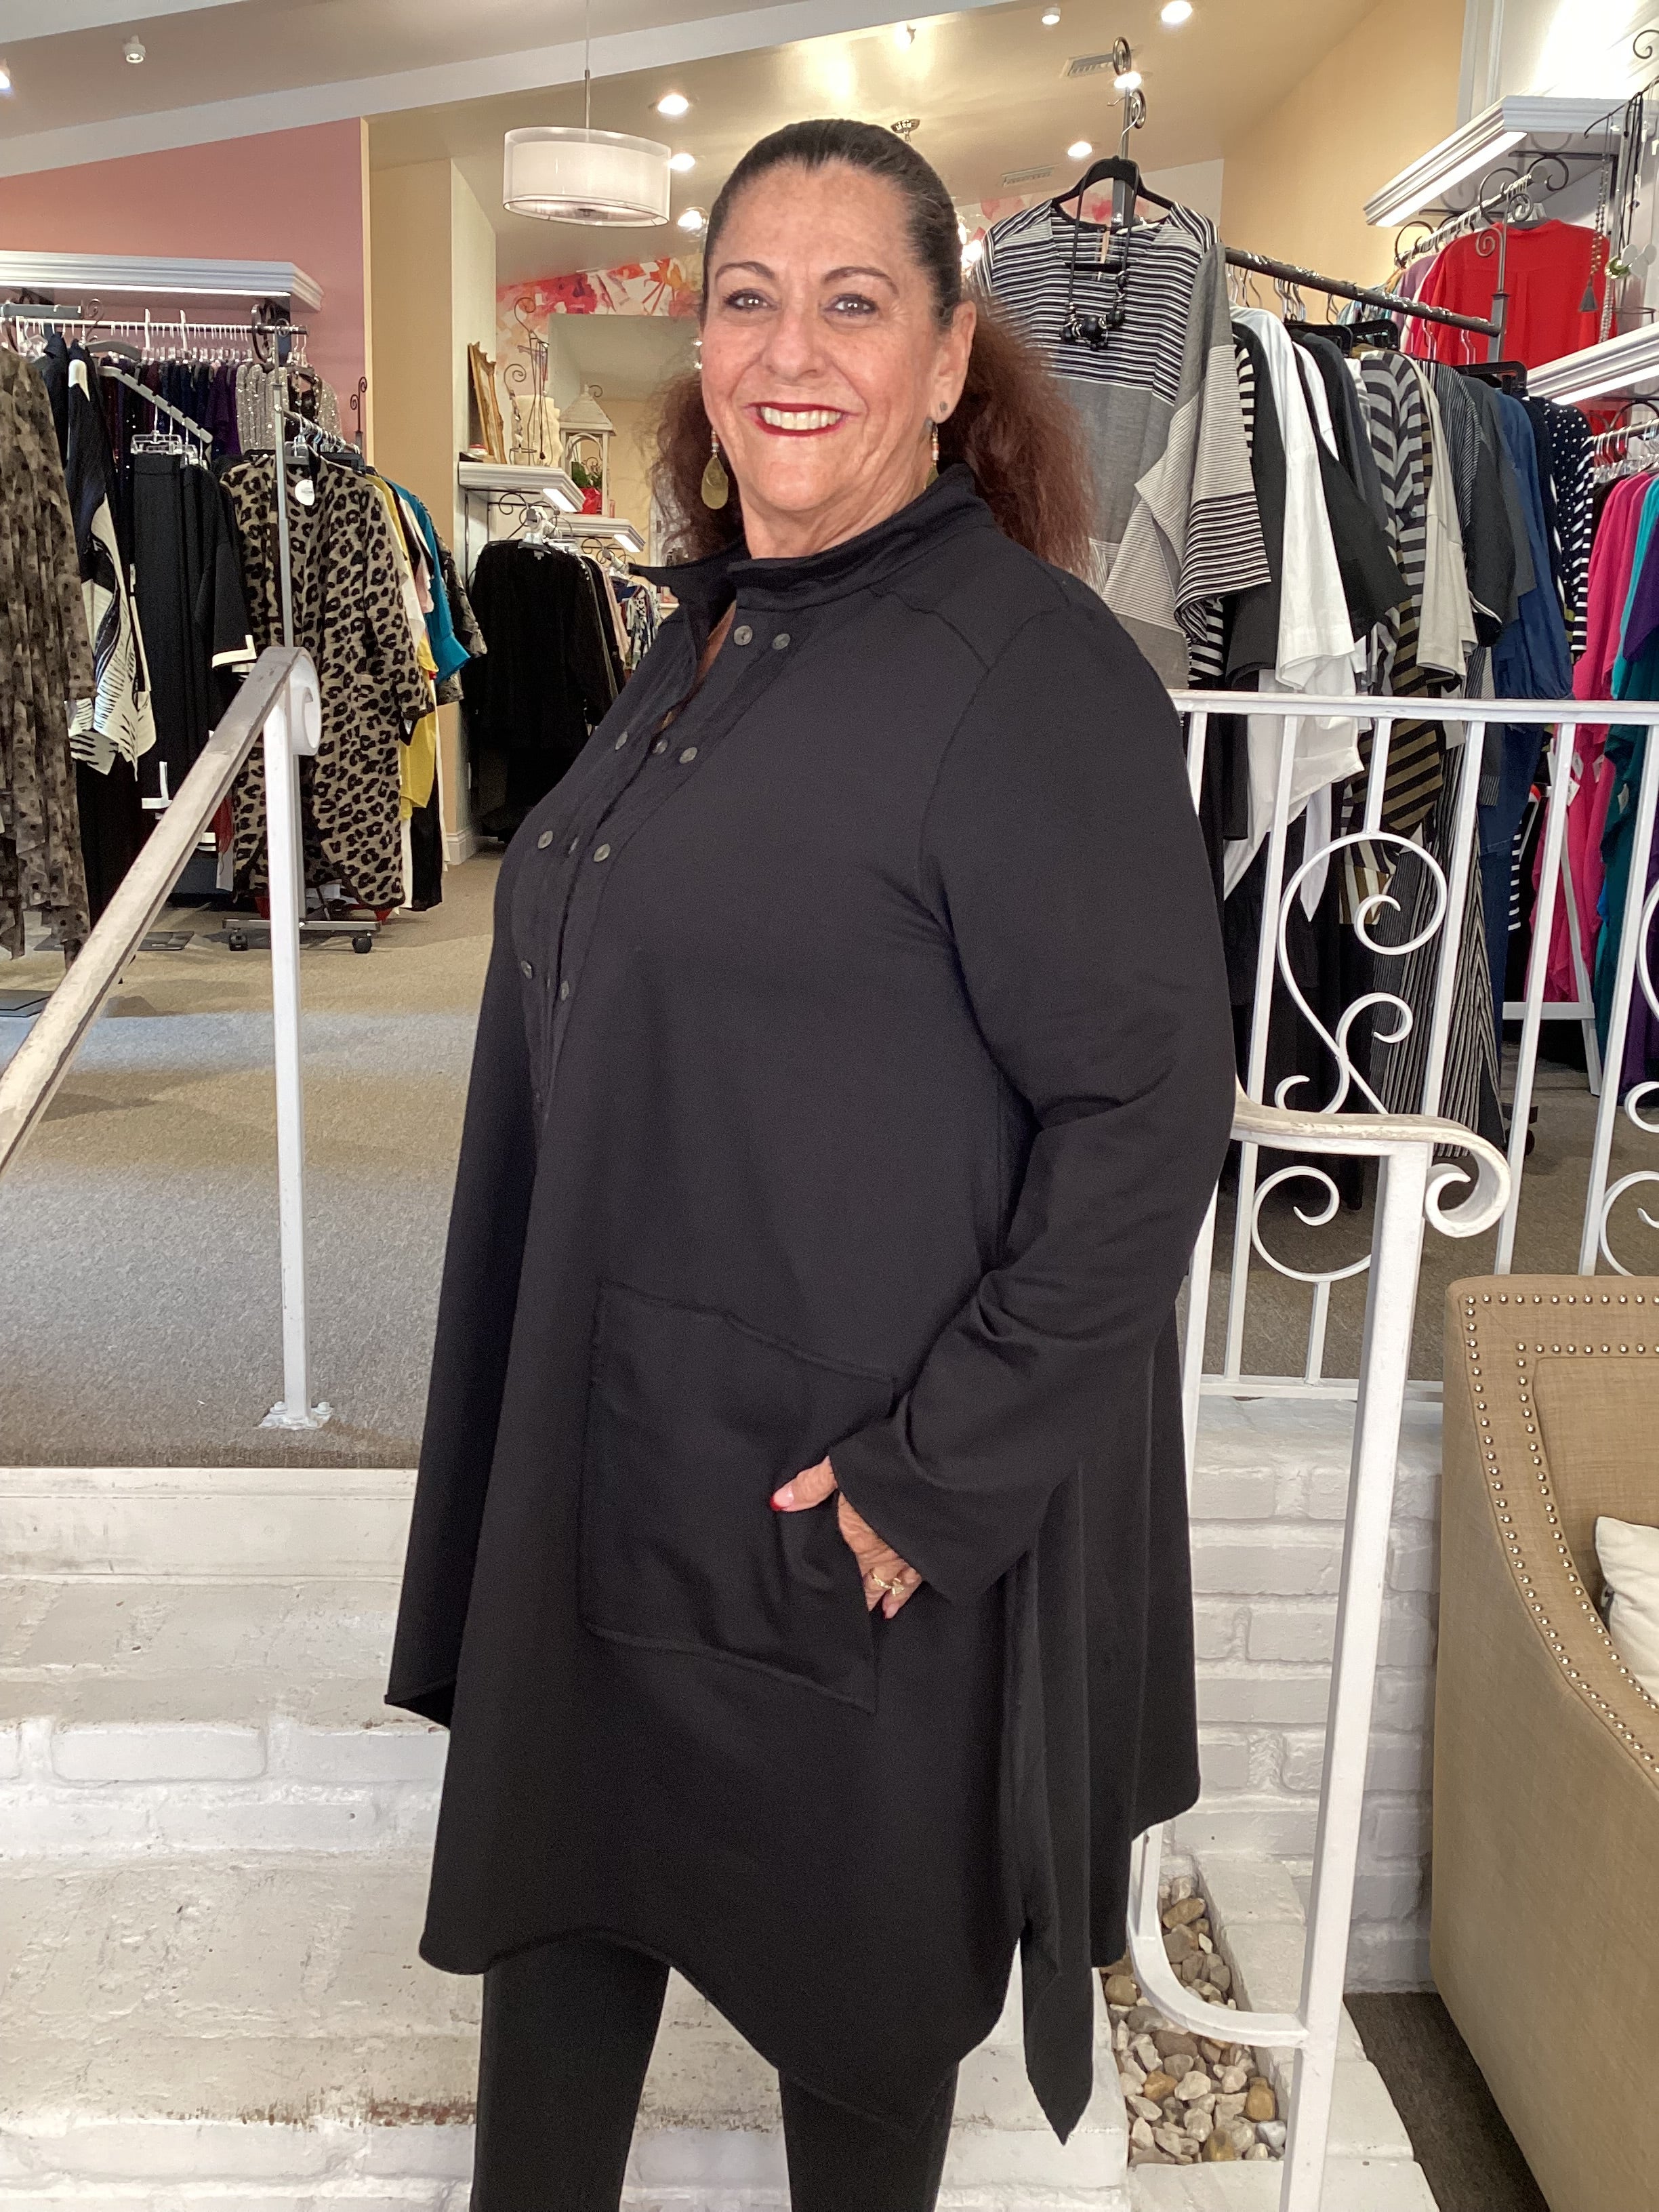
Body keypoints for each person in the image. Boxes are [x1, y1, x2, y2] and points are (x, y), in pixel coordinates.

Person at [389, 117, 1234, 2212]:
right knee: (563, 1910)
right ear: (701, 340)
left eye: (855, 303)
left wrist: (930, 1479)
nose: (792, 351)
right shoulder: (707, 633)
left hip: (837, 1493)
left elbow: (1146, 1127)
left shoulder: (1025, 673)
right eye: (749, 298)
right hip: (613, 1443)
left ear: (947, 359)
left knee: (857, 2018)